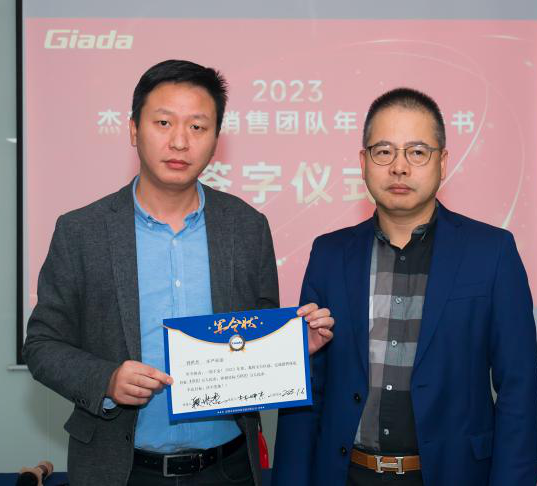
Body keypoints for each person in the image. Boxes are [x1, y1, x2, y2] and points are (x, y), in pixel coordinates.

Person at [23, 59, 334, 486]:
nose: (180, 141)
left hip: (226, 470)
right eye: (164, 123)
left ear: (216, 139)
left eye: (197, 127)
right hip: (121, 470)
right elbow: (42, 345)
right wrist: (106, 380)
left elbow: (254, 334)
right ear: (134, 130)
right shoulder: (81, 231)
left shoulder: (247, 228)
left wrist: (294, 346)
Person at [272, 87, 537, 486]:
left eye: (417, 152)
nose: (399, 167)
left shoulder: (492, 252)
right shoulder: (329, 254)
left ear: (442, 162)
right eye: (384, 151)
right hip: (347, 474)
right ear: (363, 162)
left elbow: (519, 387)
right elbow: (309, 384)